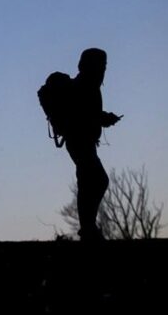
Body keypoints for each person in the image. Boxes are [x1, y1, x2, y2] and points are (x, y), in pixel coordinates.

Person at [64, 48, 121, 241]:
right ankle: (88, 228)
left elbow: (88, 114)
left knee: (89, 181)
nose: (104, 69)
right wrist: (104, 119)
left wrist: (103, 118)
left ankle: (88, 227)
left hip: (81, 141)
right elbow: (84, 115)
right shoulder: (86, 85)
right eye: (102, 65)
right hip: (79, 141)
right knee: (96, 180)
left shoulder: (87, 84)